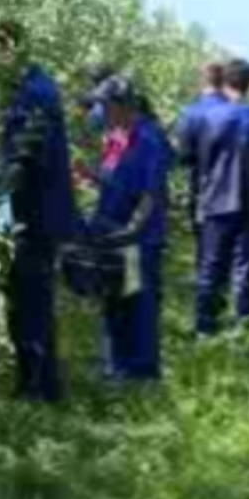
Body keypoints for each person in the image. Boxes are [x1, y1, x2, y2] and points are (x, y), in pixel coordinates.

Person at [0, 20, 79, 401]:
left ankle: (41, 388)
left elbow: (19, 159)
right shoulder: (33, 88)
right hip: (33, 212)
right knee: (26, 298)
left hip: (34, 215)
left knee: (31, 300)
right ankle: (32, 382)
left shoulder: (34, 94)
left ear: (9, 50)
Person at [83, 75, 171, 381]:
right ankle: (116, 368)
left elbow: (151, 192)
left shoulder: (147, 138)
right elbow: (112, 179)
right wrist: (88, 176)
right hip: (110, 230)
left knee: (137, 305)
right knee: (114, 301)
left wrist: (132, 229)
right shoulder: (117, 138)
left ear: (121, 106)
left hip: (136, 237)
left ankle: (142, 373)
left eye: (104, 106)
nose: (100, 112)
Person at [184, 59, 249, 336]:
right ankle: (244, 322)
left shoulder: (206, 116)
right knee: (244, 263)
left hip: (215, 198)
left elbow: (187, 156)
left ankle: (204, 325)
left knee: (211, 263)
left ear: (224, 82)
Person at [174, 63, 228, 269]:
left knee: (204, 235)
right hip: (234, 185)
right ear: (223, 82)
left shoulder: (191, 113)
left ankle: (207, 282)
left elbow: (184, 155)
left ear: (202, 81)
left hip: (203, 183)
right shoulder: (236, 110)